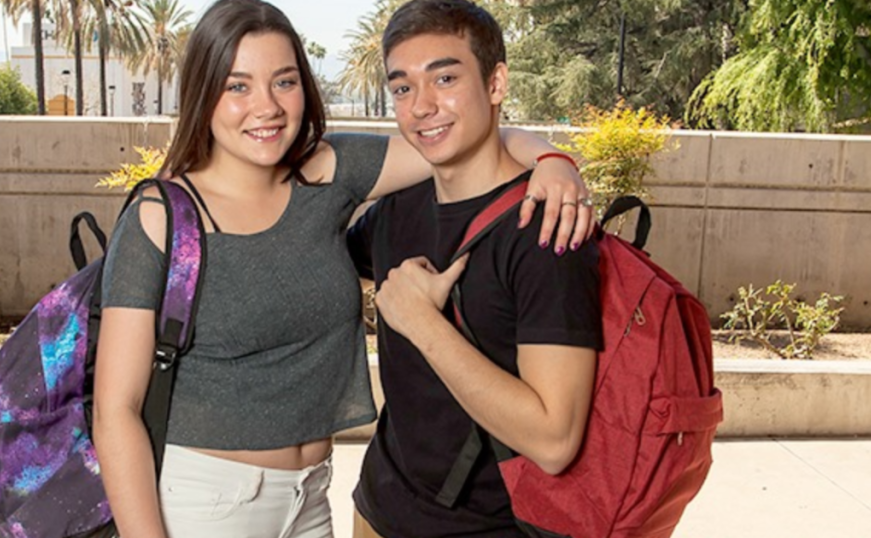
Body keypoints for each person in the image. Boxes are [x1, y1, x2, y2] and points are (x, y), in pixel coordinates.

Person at [91, 0, 592, 537]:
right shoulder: (160, 218)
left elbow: (459, 139)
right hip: (203, 503)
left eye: (283, 82)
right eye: (237, 86)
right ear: (203, 93)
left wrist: (554, 160)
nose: (266, 106)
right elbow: (116, 409)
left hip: (311, 500)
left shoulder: (325, 175)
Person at [346, 1, 603, 537]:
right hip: (377, 509)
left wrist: (420, 323)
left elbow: (555, 440)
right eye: (402, 88)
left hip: (487, 527)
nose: (421, 106)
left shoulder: (546, 231)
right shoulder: (397, 209)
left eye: (444, 77)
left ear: (496, 83)